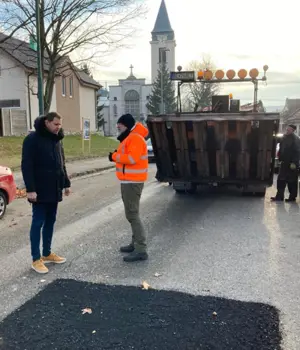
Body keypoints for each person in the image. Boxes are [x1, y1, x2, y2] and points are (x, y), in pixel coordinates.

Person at [21, 112, 71, 274]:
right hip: (39, 190)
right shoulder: (32, 140)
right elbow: (26, 166)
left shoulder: (57, 140)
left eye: (60, 124)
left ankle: (47, 253)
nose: (58, 127)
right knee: (38, 222)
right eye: (56, 124)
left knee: (50, 221)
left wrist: (66, 183)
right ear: (47, 123)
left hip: (54, 187)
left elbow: (61, 163)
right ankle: (36, 259)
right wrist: (30, 189)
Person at [108, 113, 149, 262]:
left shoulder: (135, 138)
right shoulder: (131, 137)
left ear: (127, 124)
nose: (118, 127)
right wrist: (117, 155)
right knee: (132, 213)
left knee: (132, 215)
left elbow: (131, 159)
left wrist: (114, 156)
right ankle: (135, 244)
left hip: (132, 182)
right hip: (129, 181)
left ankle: (140, 249)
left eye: (120, 125)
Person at [271, 124, 300, 202]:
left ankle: (292, 197)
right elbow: (277, 141)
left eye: (289, 129)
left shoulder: (296, 139)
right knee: (281, 180)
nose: (287, 130)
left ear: (293, 130)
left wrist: (294, 162)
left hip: (291, 164)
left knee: (292, 181)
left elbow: (297, 152)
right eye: (287, 129)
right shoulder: (284, 137)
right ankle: (279, 196)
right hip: (284, 162)